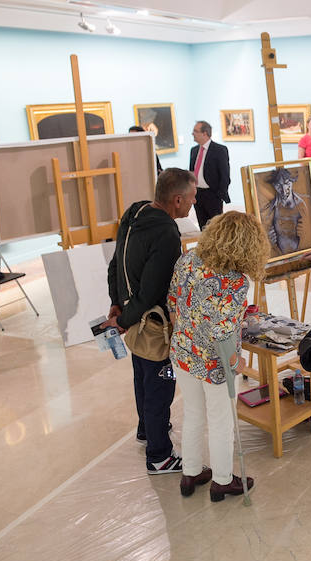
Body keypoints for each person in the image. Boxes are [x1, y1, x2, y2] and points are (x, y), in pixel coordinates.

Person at [169, 211, 270, 501]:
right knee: (221, 421)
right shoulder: (236, 282)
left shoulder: (187, 260)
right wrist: (239, 363)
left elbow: (173, 302)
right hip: (216, 365)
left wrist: (189, 334)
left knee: (193, 414)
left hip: (184, 353)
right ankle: (222, 481)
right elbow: (223, 333)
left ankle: (189, 475)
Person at [105, 168, 197, 473]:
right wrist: (125, 319)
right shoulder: (167, 233)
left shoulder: (135, 212)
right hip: (152, 325)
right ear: (177, 199)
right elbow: (153, 289)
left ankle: (147, 429)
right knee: (161, 385)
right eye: (192, 198)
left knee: (142, 376)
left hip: (132, 320)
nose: (193, 204)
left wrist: (117, 306)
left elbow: (114, 264)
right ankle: (160, 455)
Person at [189, 120, 230, 229]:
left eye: (195, 131)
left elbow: (225, 175)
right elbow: (192, 172)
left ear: (205, 133)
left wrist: (220, 194)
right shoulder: (193, 151)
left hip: (212, 194)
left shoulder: (219, 150)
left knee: (216, 228)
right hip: (197, 194)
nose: (192, 134)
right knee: (203, 226)